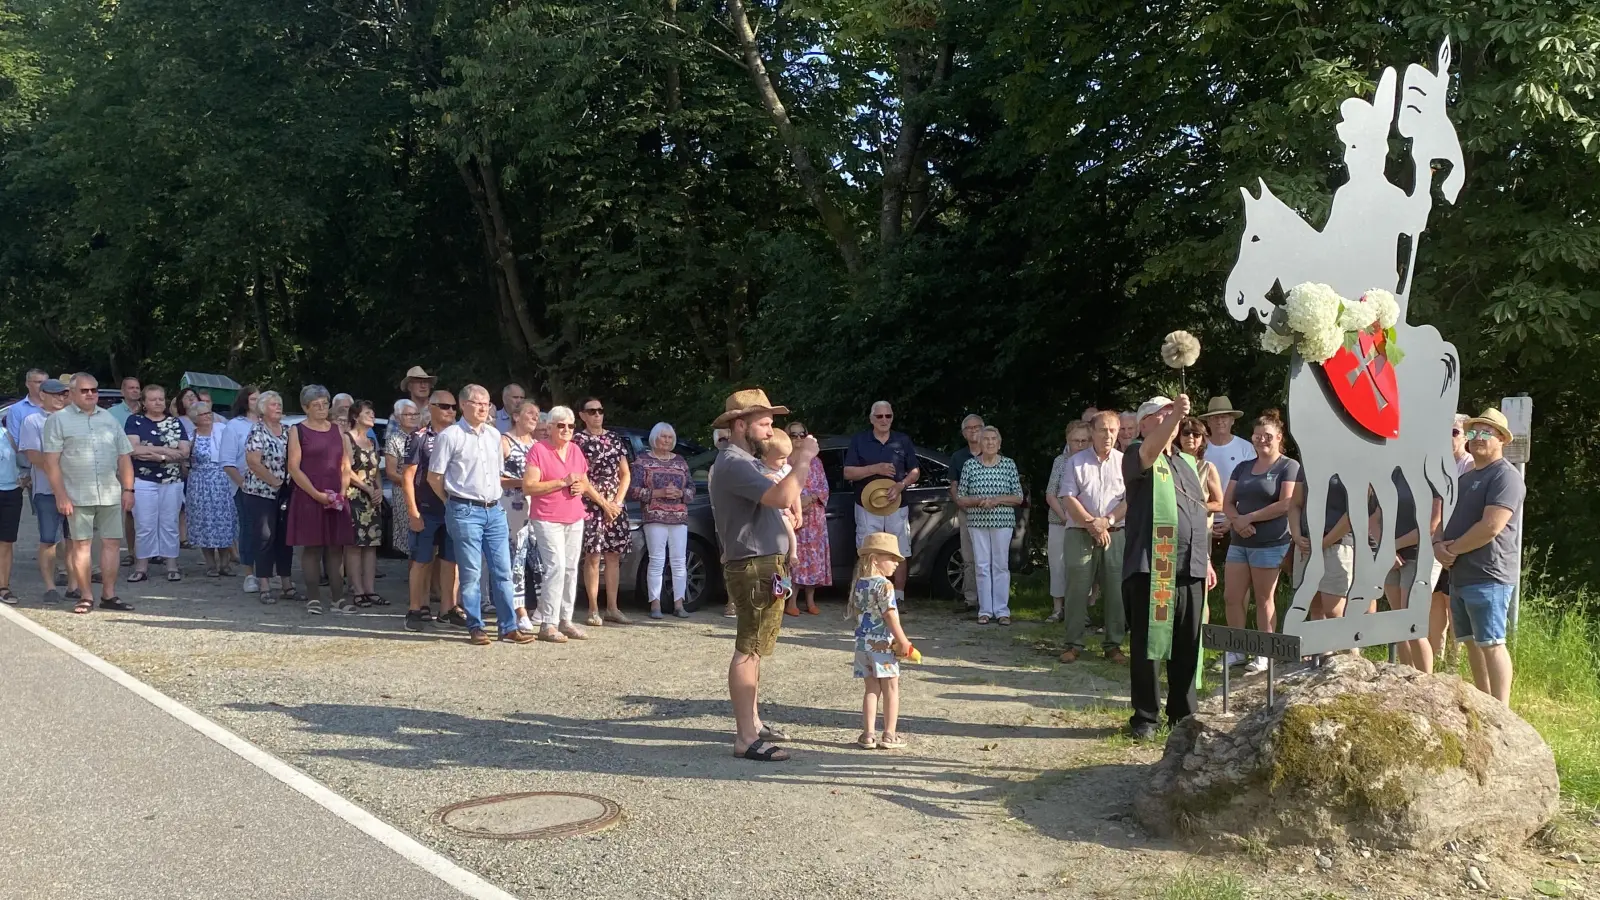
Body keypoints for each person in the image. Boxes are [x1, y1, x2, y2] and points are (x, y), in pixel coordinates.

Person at [707, 388, 817, 763]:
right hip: (753, 565)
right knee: (748, 649)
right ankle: (745, 738)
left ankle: (751, 723)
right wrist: (802, 460)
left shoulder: (744, 462)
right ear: (741, 425)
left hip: (764, 564)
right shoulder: (735, 463)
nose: (772, 431)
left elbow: (778, 500)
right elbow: (780, 497)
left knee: (755, 650)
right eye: (765, 423)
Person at [1122, 395, 1215, 740]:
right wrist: (1176, 413)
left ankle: (1183, 714)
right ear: (1144, 423)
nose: (1170, 421)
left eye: (1171, 415)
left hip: (1189, 566)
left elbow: (1198, 513)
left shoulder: (1187, 463)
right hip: (1152, 565)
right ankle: (1146, 716)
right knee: (1149, 647)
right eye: (1160, 415)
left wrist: (1205, 560)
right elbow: (1150, 453)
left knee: (1188, 643)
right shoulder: (1136, 454)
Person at [428, 385, 534, 645]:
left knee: (503, 571)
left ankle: (508, 627)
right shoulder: (450, 436)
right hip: (464, 509)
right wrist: (451, 502)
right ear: (463, 405)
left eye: (486, 403)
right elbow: (435, 476)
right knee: (472, 572)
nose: (483, 407)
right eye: (477, 403)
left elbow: (497, 474)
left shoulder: (493, 436)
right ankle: (475, 626)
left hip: (494, 509)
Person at [1436, 408, 1524, 703]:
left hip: (1490, 575)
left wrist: (1451, 550)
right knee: (1471, 643)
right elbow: (1443, 521)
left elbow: (1491, 526)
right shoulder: (1464, 479)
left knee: (1492, 643)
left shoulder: (1505, 477)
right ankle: (1485, 707)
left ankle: (1503, 713)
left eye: (1486, 432)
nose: (1477, 438)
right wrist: (1439, 546)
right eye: (1473, 432)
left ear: (1502, 439)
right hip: (1460, 574)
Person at [40, 373, 136, 615]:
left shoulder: (109, 419)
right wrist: (60, 495)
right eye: (84, 391)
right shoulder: (58, 420)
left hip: (110, 493)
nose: (91, 394)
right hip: (77, 495)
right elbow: (51, 463)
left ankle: (109, 595)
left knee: (112, 544)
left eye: (94, 390)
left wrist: (128, 489)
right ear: (71, 394)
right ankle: (85, 596)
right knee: (81, 547)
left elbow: (124, 456)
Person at [1221, 410, 1299, 674]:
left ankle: (1266, 652)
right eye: (1257, 436)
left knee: (1264, 599)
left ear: (1279, 437)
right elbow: (1227, 502)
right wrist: (1237, 521)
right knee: (1232, 597)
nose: (1262, 440)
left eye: (1267, 436)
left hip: (1271, 542)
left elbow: (1287, 503)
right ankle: (1236, 649)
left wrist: (1249, 518)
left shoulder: (1288, 466)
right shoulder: (1243, 467)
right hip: (1239, 541)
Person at [524, 405, 600, 643]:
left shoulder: (576, 450)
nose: (566, 429)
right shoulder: (538, 450)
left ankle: (565, 620)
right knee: (555, 567)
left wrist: (581, 487)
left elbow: (583, 481)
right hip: (547, 516)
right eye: (560, 425)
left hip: (574, 516)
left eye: (570, 425)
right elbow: (529, 486)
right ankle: (548, 623)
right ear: (549, 427)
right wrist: (562, 482)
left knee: (569, 568)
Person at [1058, 412, 1128, 661]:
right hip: (1079, 533)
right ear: (1092, 432)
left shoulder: (1125, 462)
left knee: (1116, 590)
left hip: (1115, 533)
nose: (1108, 435)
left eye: (1112, 430)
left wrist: (1106, 522)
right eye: (1102, 430)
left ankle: (1113, 645)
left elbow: (1128, 500)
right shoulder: (1075, 462)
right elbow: (1068, 498)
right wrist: (1092, 525)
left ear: (1118, 432)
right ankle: (1073, 643)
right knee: (1077, 590)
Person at [285, 384, 356, 614]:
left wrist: (342, 492)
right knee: (312, 548)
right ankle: (313, 597)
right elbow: (294, 468)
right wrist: (316, 494)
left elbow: (346, 464)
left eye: (325, 404)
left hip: (336, 495)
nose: (321, 408)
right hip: (308, 495)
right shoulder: (297, 431)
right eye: (316, 405)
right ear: (306, 408)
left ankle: (338, 598)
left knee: (336, 548)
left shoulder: (338, 431)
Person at [843, 401, 919, 605]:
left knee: (900, 551)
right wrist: (875, 468)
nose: (884, 420)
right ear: (871, 419)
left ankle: (899, 598)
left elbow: (915, 471)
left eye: (888, 416)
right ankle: (869, 596)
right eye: (879, 416)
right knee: (868, 550)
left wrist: (901, 485)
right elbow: (848, 472)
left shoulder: (902, 440)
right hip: (867, 505)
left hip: (897, 504)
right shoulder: (860, 440)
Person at [403, 391, 463, 632]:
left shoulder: (459, 436)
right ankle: (415, 609)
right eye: (444, 406)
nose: (450, 411)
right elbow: (407, 476)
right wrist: (412, 512)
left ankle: (448, 609)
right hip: (426, 509)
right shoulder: (419, 437)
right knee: (422, 560)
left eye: (453, 407)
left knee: (451, 561)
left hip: (453, 508)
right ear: (432, 407)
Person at [849, 532, 913, 751]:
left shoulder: (859, 585)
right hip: (882, 644)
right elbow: (890, 615)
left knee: (871, 689)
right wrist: (903, 641)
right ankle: (889, 734)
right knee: (891, 688)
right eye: (891, 558)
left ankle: (868, 735)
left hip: (862, 644)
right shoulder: (885, 585)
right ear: (875, 558)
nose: (896, 563)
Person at [956, 426, 1024, 625]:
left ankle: (1002, 610)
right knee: (982, 565)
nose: (990, 442)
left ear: (999, 443)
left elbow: (1018, 497)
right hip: (977, 521)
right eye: (986, 439)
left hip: (1002, 521)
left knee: (1001, 565)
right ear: (980, 442)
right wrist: (979, 501)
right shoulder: (970, 465)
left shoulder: (1008, 465)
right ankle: (985, 610)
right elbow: (961, 497)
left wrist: (996, 500)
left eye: (994, 439)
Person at [573, 397, 633, 626]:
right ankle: (592, 609)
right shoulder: (578, 440)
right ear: (583, 415)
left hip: (615, 505)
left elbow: (625, 473)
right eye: (592, 411)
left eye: (600, 410)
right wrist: (603, 504)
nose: (597, 415)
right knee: (593, 556)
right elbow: (581, 476)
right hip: (591, 502)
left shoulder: (615, 438)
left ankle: (613, 608)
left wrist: (616, 503)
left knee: (613, 557)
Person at [124, 384, 191, 583]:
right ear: (144, 402)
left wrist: (152, 452)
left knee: (169, 523)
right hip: (143, 479)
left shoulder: (175, 423)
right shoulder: (134, 421)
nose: (158, 402)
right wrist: (166, 453)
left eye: (161, 399)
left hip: (172, 480)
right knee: (144, 524)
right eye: (153, 399)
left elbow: (184, 451)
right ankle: (141, 566)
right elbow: (133, 449)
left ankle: (171, 565)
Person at [18, 380, 77, 602]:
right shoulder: (32, 420)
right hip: (46, 490)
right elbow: (33, 456)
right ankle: (50, 587)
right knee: (48, 539)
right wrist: (61, 470)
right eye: (55, 395)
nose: (60, 399)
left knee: (74, 539)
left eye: (63, 395)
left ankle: (73, 585)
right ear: (42, 395)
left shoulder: (73, 419)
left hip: (75, 489)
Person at [632, 421, 695, 619]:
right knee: (657, 560)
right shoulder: (642, 461)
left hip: (678, 517)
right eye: (663, 436)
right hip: (654, 516)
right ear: (654, 438)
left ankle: (679, 604)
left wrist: (680, 492)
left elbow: (692, 489)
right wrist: (657, 492)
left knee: (679, 561)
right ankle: (655, 604)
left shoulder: (680, 461)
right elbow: (633, 490)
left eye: (670, 437)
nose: (667, 440)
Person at [1430, 412, 1474, 667]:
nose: (1449, 437)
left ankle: (1454, 664)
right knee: (1435, 603)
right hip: (1436, 540)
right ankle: (1436, 661)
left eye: (1454, 432)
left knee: (1451, 603)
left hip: (1455, 542)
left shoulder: (1469, 466)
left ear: (1465, 436)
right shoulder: (1437, 465)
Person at [242, 392, 295, 602]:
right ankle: (264, 584)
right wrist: (274, 480)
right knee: (265, 536)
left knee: (285, 537)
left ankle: (287, 584)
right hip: (260, 493)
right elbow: (253, 462)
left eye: (280, 404)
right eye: (274, 404)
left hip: (285, 492)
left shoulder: (289, 432)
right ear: (263, 409)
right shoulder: (257, 431)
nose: (278, 407)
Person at [499, 401, 542, 633]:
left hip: (537, 507)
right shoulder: (504, 441)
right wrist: (523, 483)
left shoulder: (538, 445)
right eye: (530, 413)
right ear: (516, 417)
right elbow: (494, 477)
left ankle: (541, 609)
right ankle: (518, 611)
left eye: (537, 414)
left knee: (539, 559)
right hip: (512, 505)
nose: (535, 417)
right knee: (515, 559)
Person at [1290, 470, 1353, 625]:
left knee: (1334, 611)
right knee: (1313, 607)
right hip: (1306, 543)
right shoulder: (1308, 459)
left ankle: (1346, 648)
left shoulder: (1354, 461)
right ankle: (1319, 649)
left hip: (1337, 544)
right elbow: (1295, 504)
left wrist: (1322, 544)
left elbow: (1354, 512)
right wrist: (1296, 536)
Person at [1044, 421, 1093, 623]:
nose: (1080, 445)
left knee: (1083, 568)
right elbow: (1050, 494)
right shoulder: (1060, 462)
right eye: (1076, 441)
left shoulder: (1092, 463)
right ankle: (1057, 609)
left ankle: (1082, 611)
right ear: (1068, 440)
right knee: (1058, 565)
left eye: (1084, 441)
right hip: (1059, 521)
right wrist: (1065, 517)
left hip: (1085, 524)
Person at [185, 402, 238, 577]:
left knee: (223, 522)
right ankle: (210, 564)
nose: (209, 416)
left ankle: (224, 563)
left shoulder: (223, 429)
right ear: (195, 419)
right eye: (203, 414)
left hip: (221, 480)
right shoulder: (191, 436)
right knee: (203, 523)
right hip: (199, 482)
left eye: (209, 412)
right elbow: (185, 461)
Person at [344, 400, 385, 607]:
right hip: (354, 496)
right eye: (367, 412)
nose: (372, 415)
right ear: (355, 416)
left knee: (371, 545)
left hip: (371, 497)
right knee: (354, 545)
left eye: (372, 412)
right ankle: (357, 590)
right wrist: (367, 489)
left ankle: (370, 590)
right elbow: (346, 469)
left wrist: (377, 490)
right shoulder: (347, 439)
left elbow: (376, 469)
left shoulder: (371, 441)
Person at [786, 420, 829, 616]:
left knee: (813, 561)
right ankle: (791, 601)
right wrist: (797, 503)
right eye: (793, 435)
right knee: (795, 560)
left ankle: (810, 601)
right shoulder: (784, 461)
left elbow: (824, 488)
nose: (798, 438)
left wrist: (810, 499)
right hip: (793, 518)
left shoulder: (816, 461)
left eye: (802, 434)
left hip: (815, 520)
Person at [221, 387, 262, 591]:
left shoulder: (272, 425)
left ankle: (266, 572)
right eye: (254, 398)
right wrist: (243, 485)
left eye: (260, 398)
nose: (257, 402)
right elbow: (227, 462)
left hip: (270, 486)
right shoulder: (234, 426)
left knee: (268, 531)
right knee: (249, 529)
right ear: (245, 401)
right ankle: (249, 574)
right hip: (244, 486)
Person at [1199, 396, 1256, 539]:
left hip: (1239, 522)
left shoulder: (1245, 448)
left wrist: (1233, 520)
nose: (1219, 421)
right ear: (1208, 422)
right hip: (1203, 521)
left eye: (1224, 417)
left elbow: (1252, 486)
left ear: (1232, 420)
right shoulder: (1199, 448)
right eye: (1214, 418)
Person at [947, 414, 984, 610]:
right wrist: (961, 504)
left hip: (990, 514)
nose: (973, 431)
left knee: (988, 557)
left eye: (977, 427)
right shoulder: (958, 457)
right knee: (969, 556)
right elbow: (954, 485)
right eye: (969, 428)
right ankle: (971, 599)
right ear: (963, 433)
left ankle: (990, 599)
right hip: (967, 512)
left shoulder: (992, 454)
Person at [384, 399, 422, 558]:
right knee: (410, 539)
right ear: (398, 417)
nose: (413, 417)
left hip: (425, 492)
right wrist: (411, 482)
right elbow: (391, 472)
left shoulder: (423, 435)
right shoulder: (394, 439)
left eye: (415, 414)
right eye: (408, 414)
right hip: (404, 492)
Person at [0, 409, 21, 605]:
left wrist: (26, 477)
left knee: (6, 541)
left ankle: (3, 586)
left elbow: (22, 460)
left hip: (11, 491)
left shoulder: (7, 434)